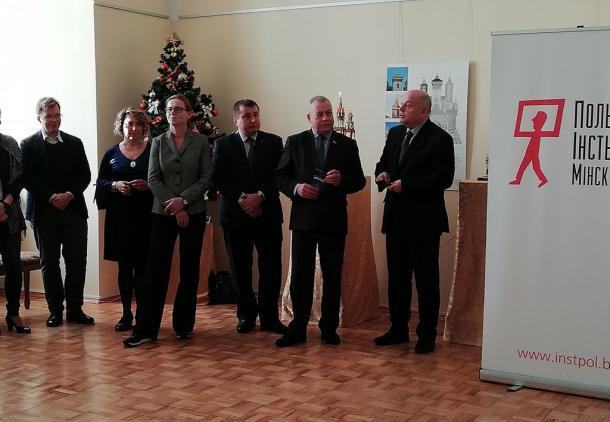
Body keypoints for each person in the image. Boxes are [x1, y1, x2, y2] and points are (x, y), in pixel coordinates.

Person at [274, 95, 365, 347]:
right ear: (309, 118)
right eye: (320, 114)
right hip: (304, 219)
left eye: (329, 113)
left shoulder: (347, 144)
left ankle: (329, 328)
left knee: (332, 274)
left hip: (333, 219)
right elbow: (279, 176)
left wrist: (342, 180)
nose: (326, 118)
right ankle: (298, 328)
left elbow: (358, 180)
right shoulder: (295, 142)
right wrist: (297, 188)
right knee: (300, 276)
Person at [123, 94, 212, 347]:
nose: (173, 112)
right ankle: (146, 329)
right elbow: (153, 179)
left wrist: (183, 201)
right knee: (155, 271)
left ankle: (183, 326)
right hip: (163, 213)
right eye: (169, 109)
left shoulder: (201, 141)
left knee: (189, 270)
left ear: (189, 113)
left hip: (193, 212)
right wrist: (174, 206)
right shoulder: (158, 142)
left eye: (178, 109)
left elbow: (206, 178)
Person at [373, 89, 454, 354]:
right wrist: (382, 175)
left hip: (423, 222)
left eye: (407, 105)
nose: (401, 108)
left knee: (426, 281)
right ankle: (398, 329)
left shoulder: (440, 139)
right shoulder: (396, 134)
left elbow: (442, 178)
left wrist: (406, 185)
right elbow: (383, 163)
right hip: (395, 218)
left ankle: (427, 335)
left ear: (424, 110)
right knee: (397, 278)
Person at [213, 99, 286, 335]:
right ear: (235, 119)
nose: (253, 120)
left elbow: (279, 175)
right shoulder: (223, 144)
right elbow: (219, 178)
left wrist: (260, 196)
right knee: (239, 268)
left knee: (271, 267)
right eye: (246, 116)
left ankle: (269, 318)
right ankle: (245, 316)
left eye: (255, 114)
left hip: (267, 213)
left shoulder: (274, 142)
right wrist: (243, 199)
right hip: (235, 215)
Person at [21, 97, 93, 328]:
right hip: (44, 212)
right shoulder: (28, 144)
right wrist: (52, 197)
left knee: (77, 262)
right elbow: (27, 178)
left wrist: (69, 195)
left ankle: (75, 309)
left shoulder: (74, 142)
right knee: (49, 263)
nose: (53, 120)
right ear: (39, 118)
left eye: (57, 115)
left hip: (74, 211)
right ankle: (55, 311)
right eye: (48, 116)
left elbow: (85, 175)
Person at [96, 107, 153, 332]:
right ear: (122, 126)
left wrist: (148, 186)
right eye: (129, 124)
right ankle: (126, 314)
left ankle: (143, 314)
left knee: (143, 268)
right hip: (119, 219)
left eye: (138, 124)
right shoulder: (111, 153)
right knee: (125, 267)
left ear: (144, 127)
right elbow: (100, 182)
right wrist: (114, 185)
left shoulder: (153, 150)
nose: (133, 128)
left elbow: (163, 179)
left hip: (146, 217)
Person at [0, 107, 30, 334]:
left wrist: (5, 203)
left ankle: (13, 313)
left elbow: (20, 178)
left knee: (13, 265)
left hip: (9, 216)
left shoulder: (9, 143)